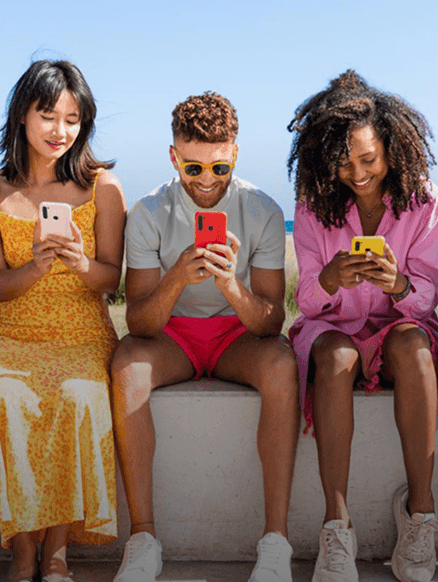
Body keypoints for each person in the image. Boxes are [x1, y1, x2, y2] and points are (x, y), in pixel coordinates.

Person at [110, 92, 299, 582]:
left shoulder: (263, 210)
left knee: (281, 363)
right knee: (128, 365)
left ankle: (275, 542)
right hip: (173, 338)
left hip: (237, 337)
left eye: (218, 168)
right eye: (193, 169)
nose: (207, 182)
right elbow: (141, 325)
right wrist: (178, 276)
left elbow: (269, 323)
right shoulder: (148, 212)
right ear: (174, 157)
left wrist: (229, 285)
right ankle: (143, 539)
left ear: (234, 152)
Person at [286, 71, 438, 582]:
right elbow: (307, 299)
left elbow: (430, 292)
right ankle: (336, 527)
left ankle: (420, 516)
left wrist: (398, 285)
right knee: (334, 357)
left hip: (401, 326)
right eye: (343, 162)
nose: (357, 173)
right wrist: (332, 277)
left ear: (391, 150)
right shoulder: (314, 205)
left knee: (412, 346)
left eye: (368, 160)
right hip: (335, 330)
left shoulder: (425, 201)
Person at [0, 60, 126, 582]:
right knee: (7, 400)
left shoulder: (104, 188)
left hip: (83, 332)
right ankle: (22, 551)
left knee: (79, 396)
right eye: (48, 115)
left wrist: (80, 264)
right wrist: (35, 266)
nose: (61, 131)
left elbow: (111, 281)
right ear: (21, 116)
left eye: (73, 119)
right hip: (12, 334)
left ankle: (57, 551)